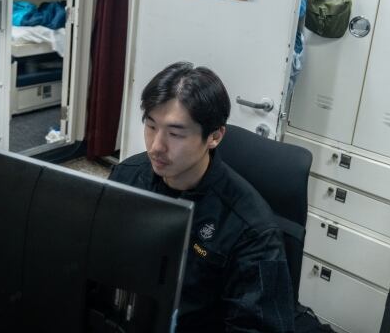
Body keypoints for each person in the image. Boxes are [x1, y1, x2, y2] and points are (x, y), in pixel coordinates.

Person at [109, 62, 295, 332]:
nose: (156, 147)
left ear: (215, 136)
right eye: (151, 127)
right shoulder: (128, 176)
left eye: (175, 134)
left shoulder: (252, 229)